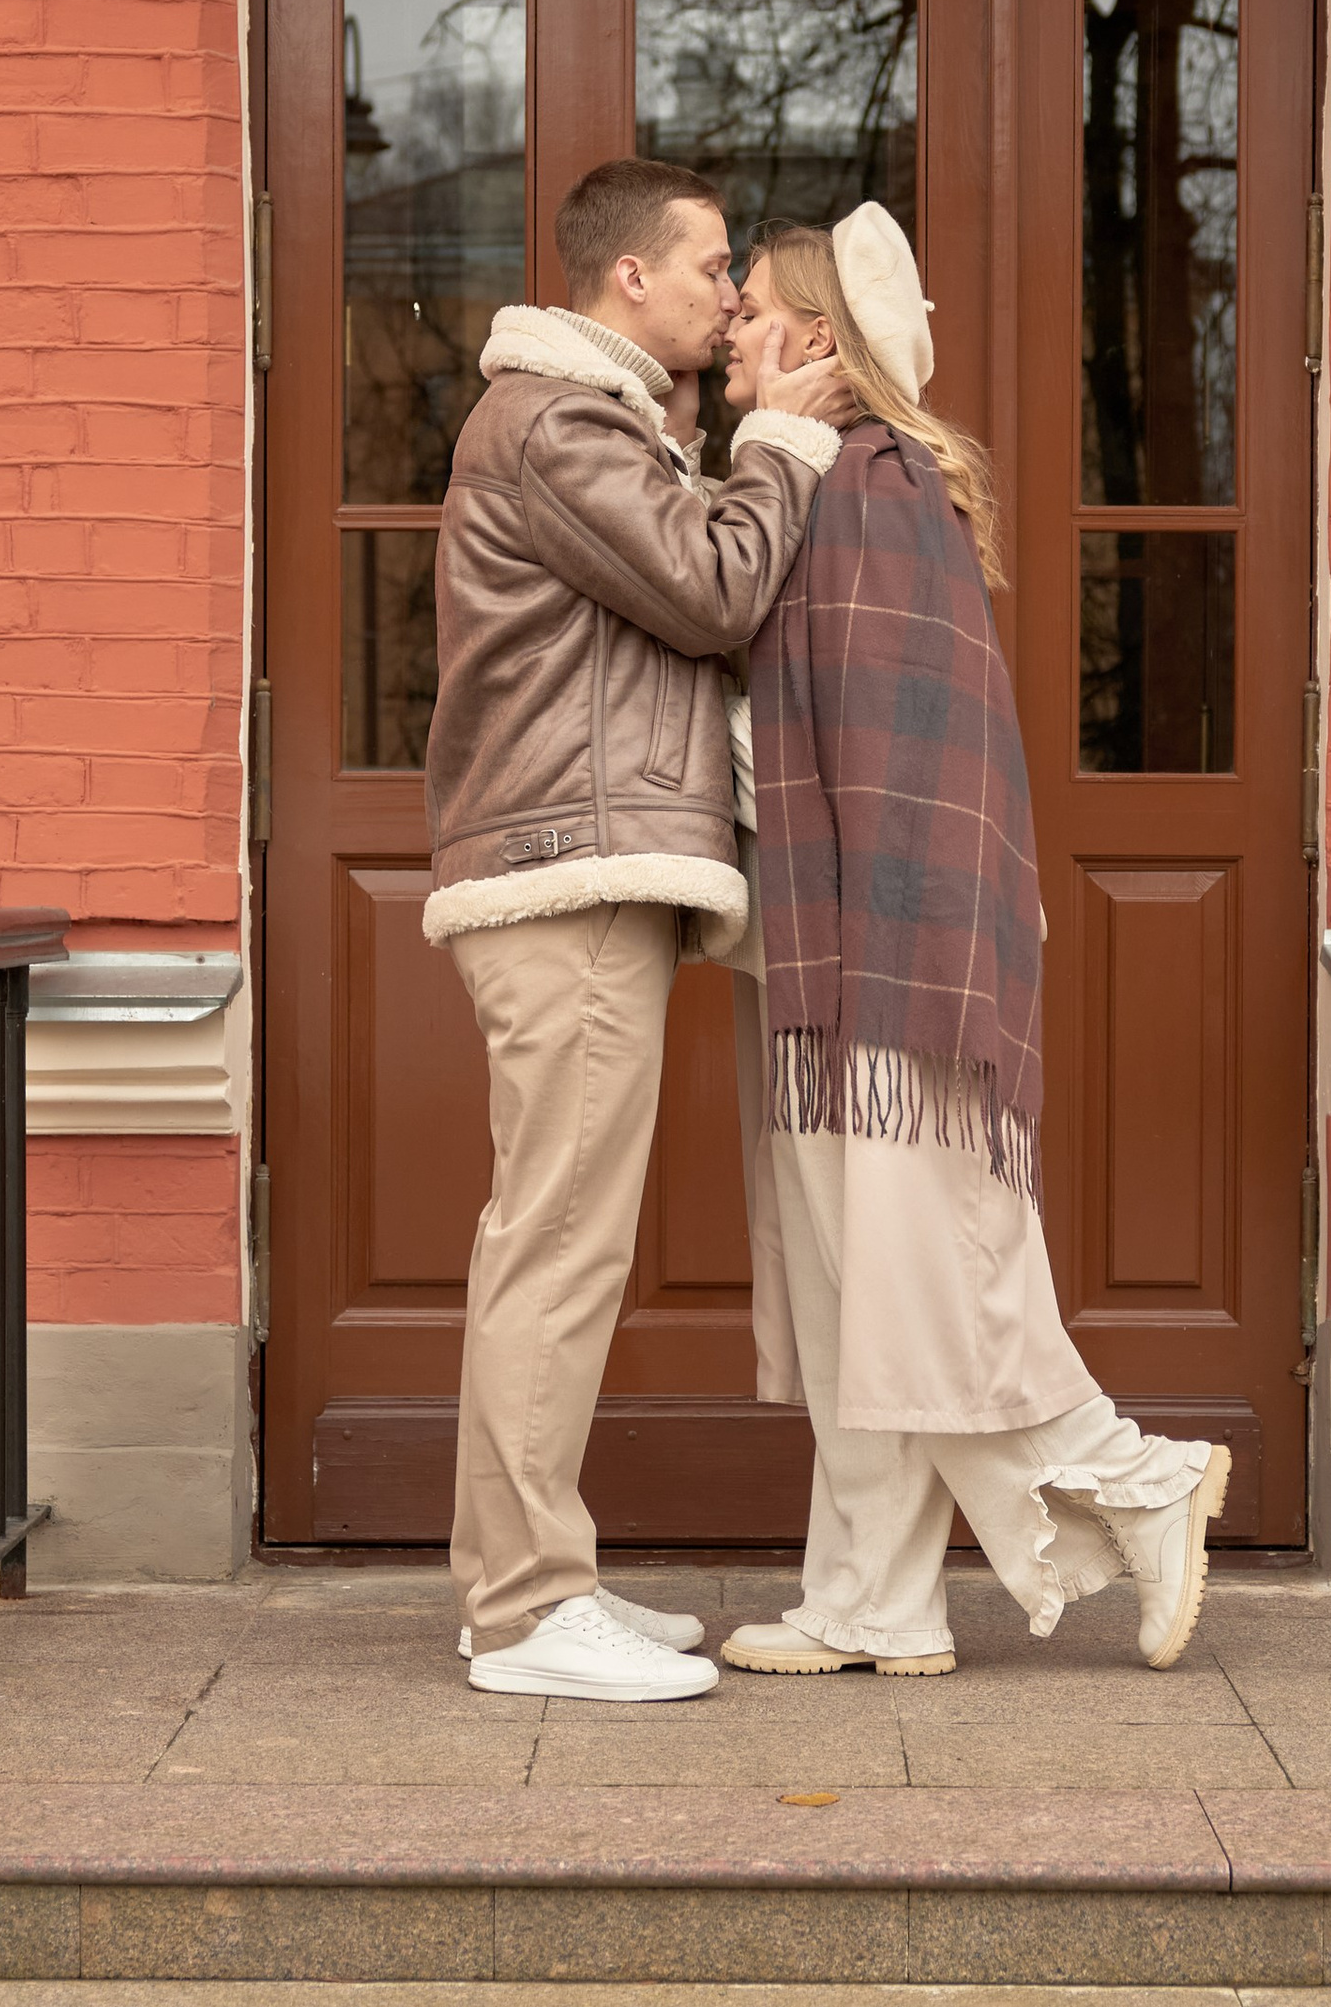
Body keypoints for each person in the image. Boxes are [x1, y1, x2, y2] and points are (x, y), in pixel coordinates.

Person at [714, 205, 1229, 1682]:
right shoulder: (830, 476)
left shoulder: (863, 484)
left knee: (930, 1274)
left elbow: (891, 757)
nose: (734, 329)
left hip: (897, 956)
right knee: (856, 1290)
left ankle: (1137, 1475)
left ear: (816, 336)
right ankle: (873, 1599)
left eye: (754, 306)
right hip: (839, 952)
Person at [424, 156, 852, 1703]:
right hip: (570, 873)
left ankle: (533, 1589)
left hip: (586, 871)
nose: (733, 291)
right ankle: (532, 1609)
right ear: (628, 281)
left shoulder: (595, 422)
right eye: (714, 263)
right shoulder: (557, 422)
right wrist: (786, 448)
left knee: (552, 1243)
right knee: (554, 1249)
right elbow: (713, 584)